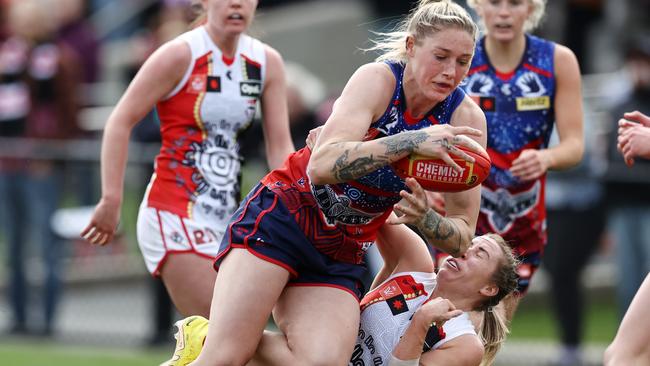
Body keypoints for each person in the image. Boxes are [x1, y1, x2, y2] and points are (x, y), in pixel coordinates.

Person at [190, 1, 487, 365]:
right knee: (225, 356)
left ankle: (226, 335)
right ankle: (218, 340)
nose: (450, 71)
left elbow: (461, 236)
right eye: (440, 56)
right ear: (411, 47)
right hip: (286, 217)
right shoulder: (378, 80)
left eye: (463, 61)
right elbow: (321, 165)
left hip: (343, 248)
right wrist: (410, 142)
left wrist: (425, 218)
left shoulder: (466, 118)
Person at [80, 0, 295, 318]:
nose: (236, 3)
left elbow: (280, 147)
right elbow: (120, 121)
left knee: (228, 342)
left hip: (229, 219)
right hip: (173, 212)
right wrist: (111, 199)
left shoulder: (266, 61)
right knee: (228, 330)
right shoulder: (181, 53)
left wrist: (298, 203)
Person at [162, 225, 519, 366]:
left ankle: (207, 336)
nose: (462, 251)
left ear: (488, 289)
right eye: (468, 245)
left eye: (479, 255)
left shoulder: (464, 343)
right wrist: (338, 145)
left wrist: (422, 322)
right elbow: (378, 209)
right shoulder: (415, 262)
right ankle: (207, 337)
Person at [460, 0, 584, 329]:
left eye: (514, 3)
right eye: (494, 2)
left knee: (492, 329)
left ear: (531, 8)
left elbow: (575, 146)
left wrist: (546, 157)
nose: (504, 12)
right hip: (463, 215)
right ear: (477, 5)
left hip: (522, 223)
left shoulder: (557, 60)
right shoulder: (461, 56)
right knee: (458, 327)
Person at [0, 0, 80, 336]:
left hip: (41, 164)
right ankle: (18, 318)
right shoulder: (7, 56)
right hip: (9, 161)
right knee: (14, 245)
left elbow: (67, 111)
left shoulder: (59, 58)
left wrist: (52, 152)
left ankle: (47, 322)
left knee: (46, 244)